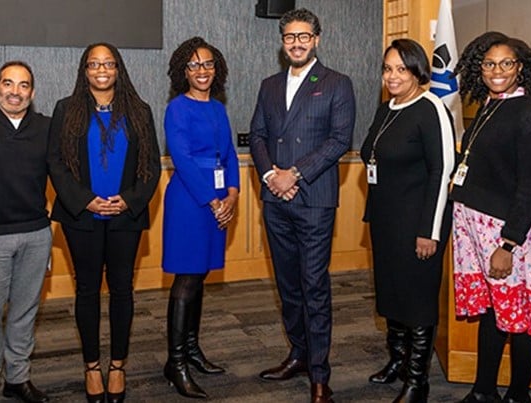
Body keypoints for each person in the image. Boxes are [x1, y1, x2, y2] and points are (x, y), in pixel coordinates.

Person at [249, 8, 356, 403]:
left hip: (313, 200)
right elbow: (257, 136)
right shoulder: (269, 85)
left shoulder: (337, 83)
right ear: (283, 42)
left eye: (304, 36)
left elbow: (339, 140)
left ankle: (319, 375)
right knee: (287, 285)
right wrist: (270, 176)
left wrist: (293, 174)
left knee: (314, 286)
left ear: (317, 39)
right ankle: (298, 354)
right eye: (290, 37)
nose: (296, 43)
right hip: (275, 199)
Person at [47, 43, 161, 403]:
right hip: (81, 217)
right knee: (87, 290)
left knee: (122, 289)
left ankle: (118, 366)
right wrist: (84, 199)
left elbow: (151, 165)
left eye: (108, 64)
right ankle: (92, 367)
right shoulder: (66, 109)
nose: (101, 69)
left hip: (125, 216)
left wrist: (129, 200)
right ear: (85, 70)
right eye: (94, 64)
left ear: (118, 69)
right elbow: (55, 162)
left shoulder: (139, 110)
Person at [449, 33, 531, 403]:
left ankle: (518, 395)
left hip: (507, 232)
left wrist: (508, 244)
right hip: (475, 228)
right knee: (494, 311)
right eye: (489, 63)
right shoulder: (490, 106)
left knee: (519, 312)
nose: (497, 70)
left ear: (520, 68)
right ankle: (483, 390)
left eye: (506, 63)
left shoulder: (528, 113)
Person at [360, 38, 455, 403]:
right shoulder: (386, 108)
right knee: (392, 293)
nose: (393, 76)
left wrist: (429, 231)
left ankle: (417, 381)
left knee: (417, 300)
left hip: (419, 224)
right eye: (388, 69)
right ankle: (397, 362)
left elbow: (442, 171)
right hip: (386, 222)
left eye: (401, 69)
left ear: (418, 71)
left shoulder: (431, 108)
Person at [161, 36, 240, 399]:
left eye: (208, 64)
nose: (202, 70)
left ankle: (192, 350)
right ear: (183, 71)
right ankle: (175, 362)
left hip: (219, 198)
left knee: (201, 274)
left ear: (216, 69)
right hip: (190, 201)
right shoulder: (177, 108)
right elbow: (182, 158)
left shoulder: (218, 108)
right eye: (193, 65)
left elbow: (230, 155)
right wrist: (213, 201)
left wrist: (233, 194)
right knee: (187, 277)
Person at [0, 61, 52, 403]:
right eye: (8, 83)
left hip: (36, 233)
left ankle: (18, 378)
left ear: (32, 92)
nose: (15, 92)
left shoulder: (47, 126)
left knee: (25, 311)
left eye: (23, 85)